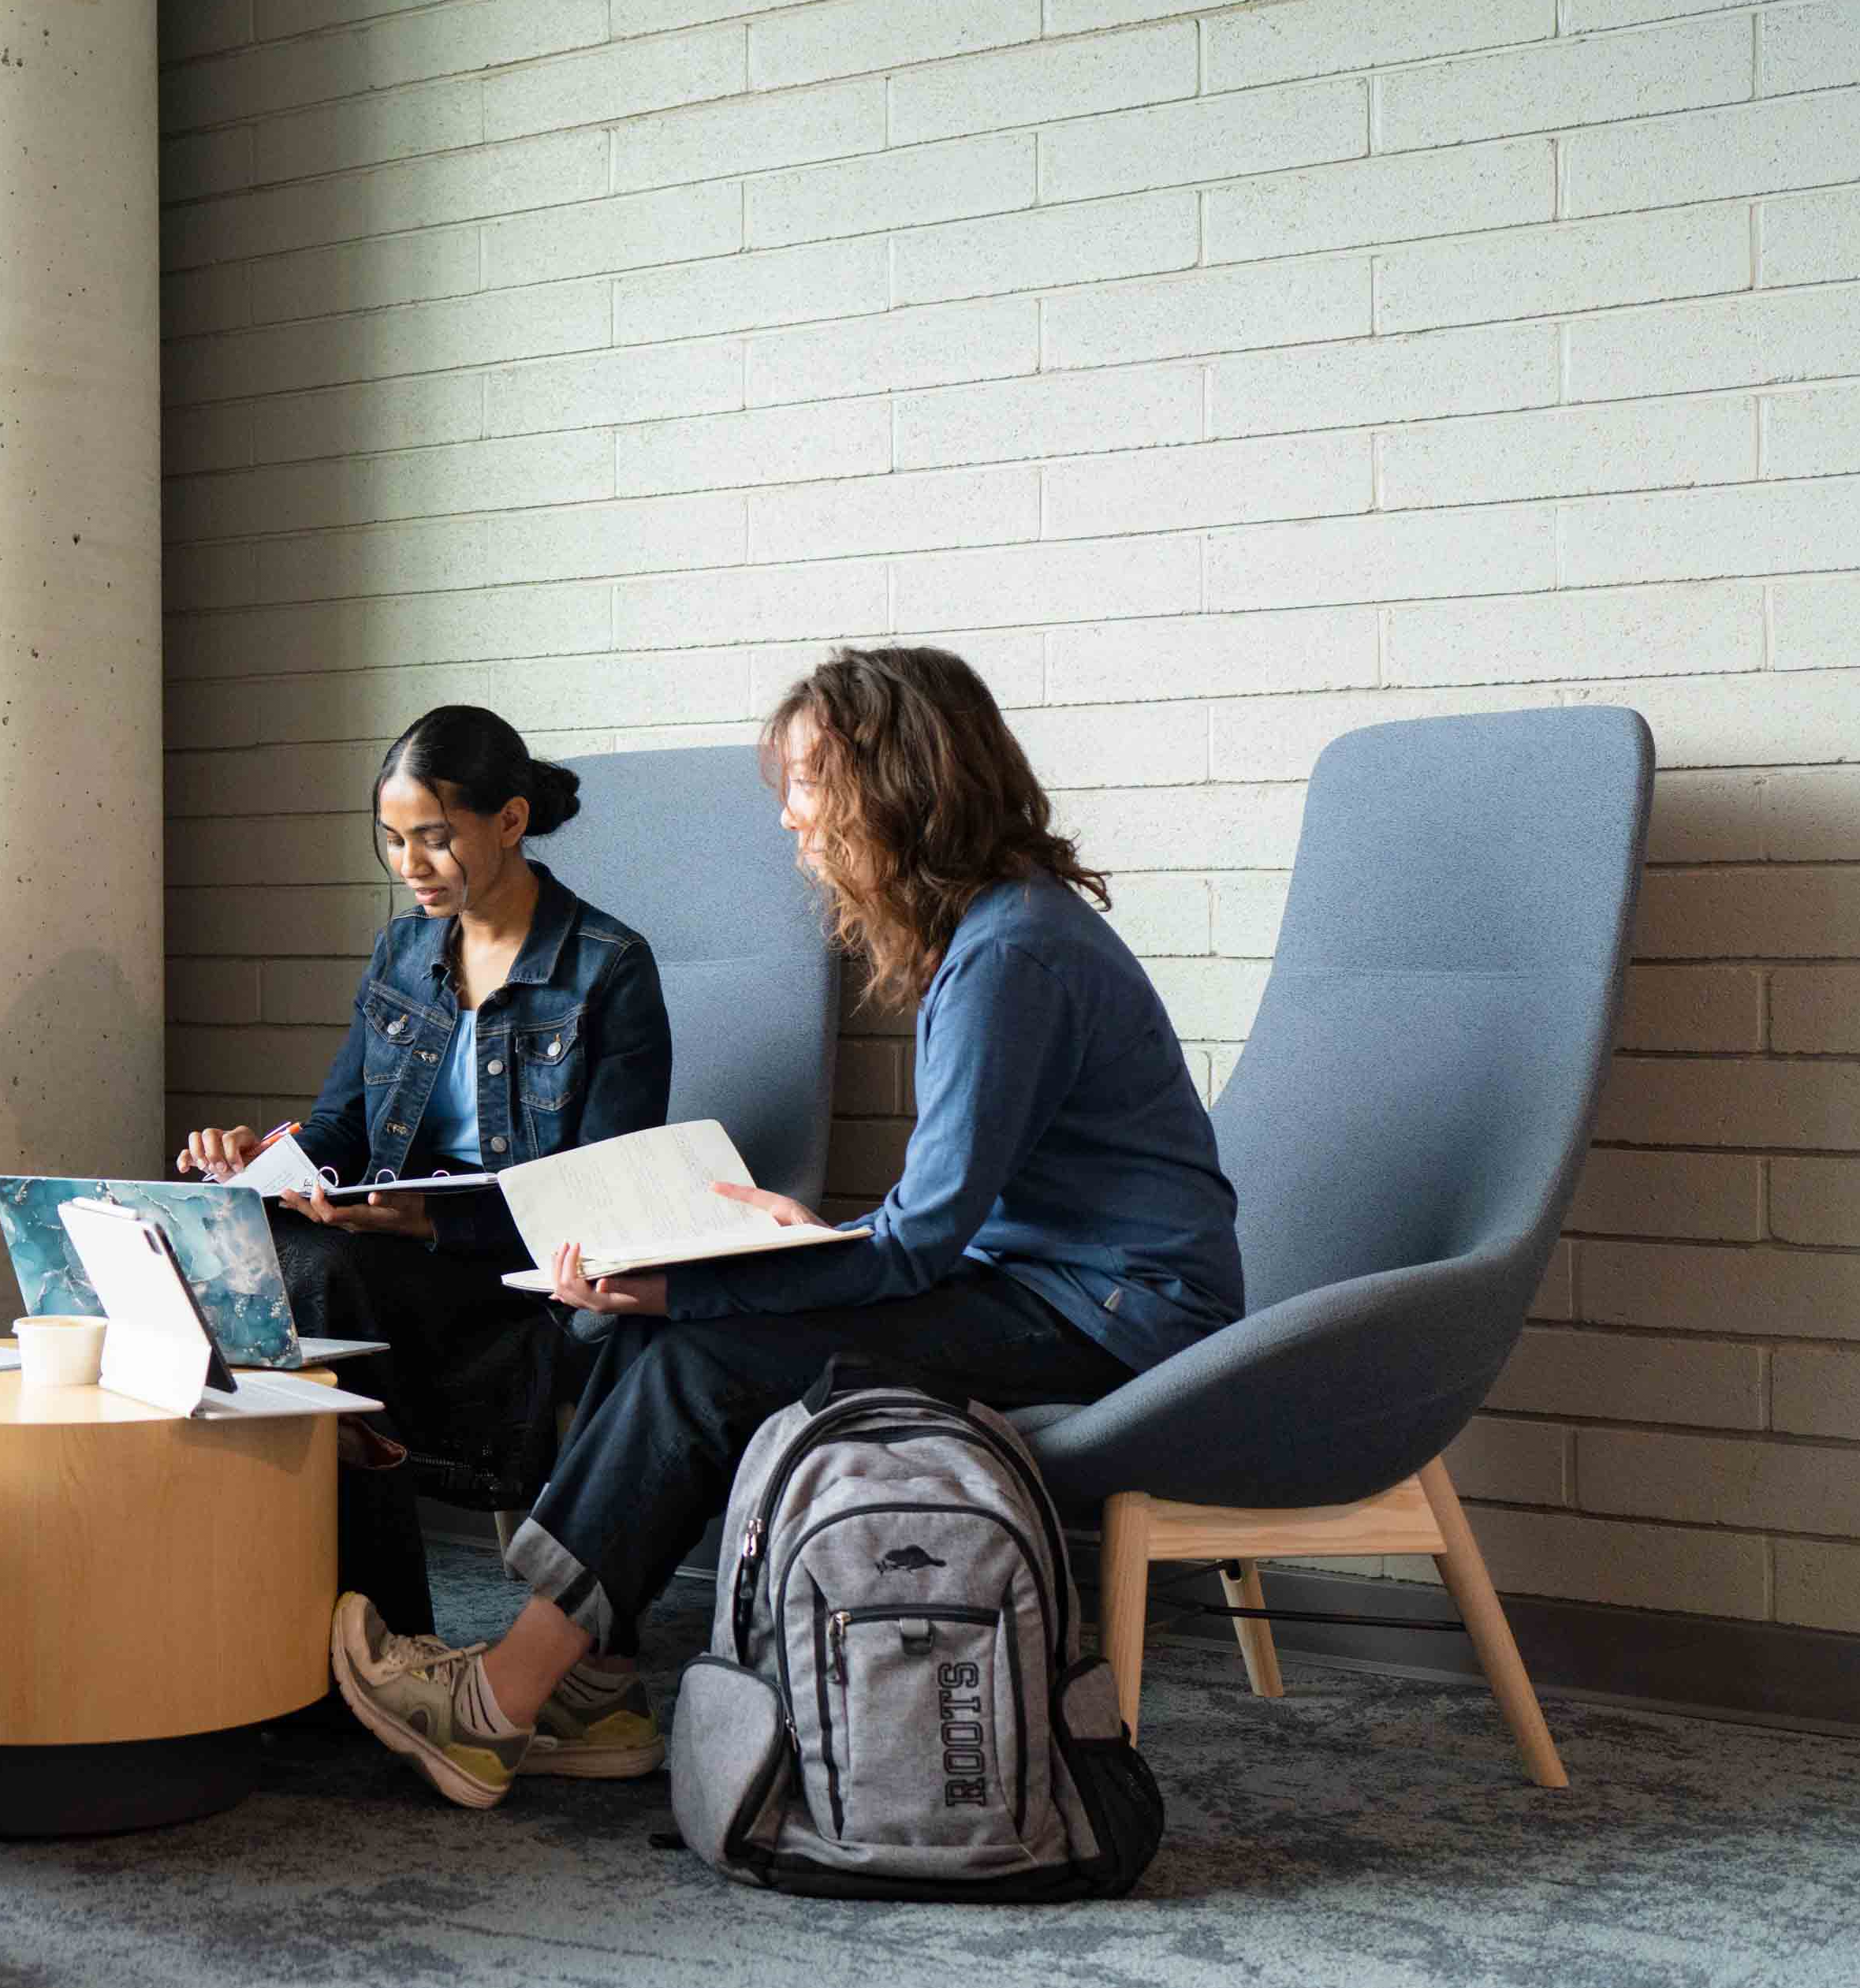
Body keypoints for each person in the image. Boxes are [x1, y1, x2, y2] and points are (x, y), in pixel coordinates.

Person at [331, 646, 1244, 1807]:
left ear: (895, 785)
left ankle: (498, 1703)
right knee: (673, 1340)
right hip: (1047, 1281)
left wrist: (692, 1288)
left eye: (809, 784)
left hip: (1117, 1315)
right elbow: (944, 1221)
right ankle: (590, 1681)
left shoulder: (1008, 955)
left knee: (694, 1346)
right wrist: (805, 1241)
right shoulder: (1003, 930)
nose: (791, 820)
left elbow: (921, 1243)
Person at [176, 704, 673, 1637]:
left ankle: (377, 1626)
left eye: (435, 840)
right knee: (228, 1242)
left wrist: (434, 1224)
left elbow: (607, 1197)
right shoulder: (403, 952)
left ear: (511, 821)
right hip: (388, 1244)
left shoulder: (609, 968)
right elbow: (341, 1128)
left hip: (517, 1268)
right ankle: (257, 1608)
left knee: (319, 1274)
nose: (410, 866)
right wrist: (264, 1162)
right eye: (394, 841)